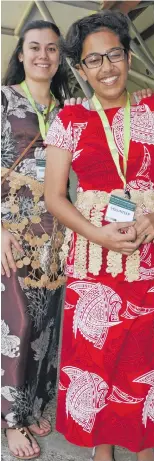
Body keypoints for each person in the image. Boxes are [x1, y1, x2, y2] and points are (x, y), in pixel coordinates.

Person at [44, 11, 154, 461]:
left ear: (127, 58)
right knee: (96, 354)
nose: (106, 68)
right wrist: (100, 237)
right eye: (94, 60)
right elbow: (55, 196)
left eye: (114, 55)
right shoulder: (68, 119)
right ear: (81, 68)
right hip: (95, 253)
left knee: (144, 352)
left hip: (150, 248)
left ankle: (143, 443)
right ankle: (101, 447)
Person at [1, 20, 71, 460]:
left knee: (45, 325)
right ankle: (9, 419)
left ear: (60, 57)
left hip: (53, 231)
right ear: (21, 53)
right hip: (9, 228)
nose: (43, 55)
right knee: (16, 323)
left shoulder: (68, 111)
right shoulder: (4, 100)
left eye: (51, 49)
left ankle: (31, 406)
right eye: (34, 47)